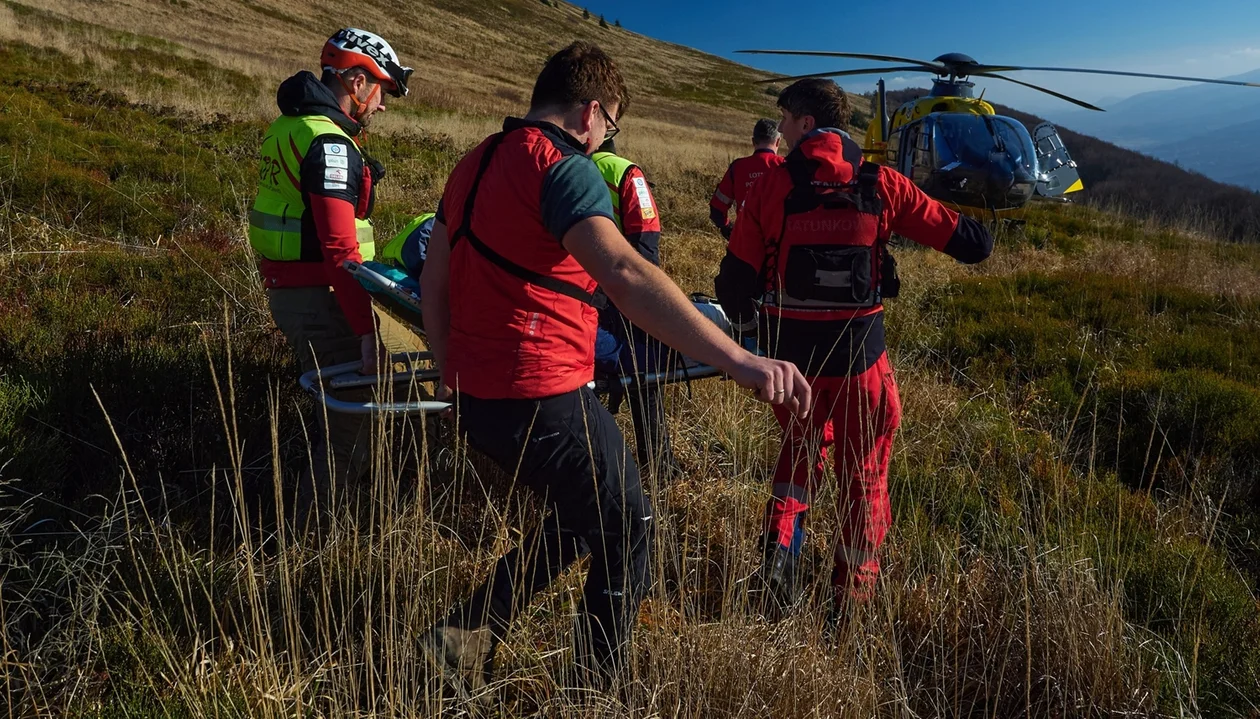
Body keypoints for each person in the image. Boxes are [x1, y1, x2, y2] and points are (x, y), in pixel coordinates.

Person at [419, 41, 810, 692]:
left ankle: (457, 640)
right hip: (541, 389)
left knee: (583, 516)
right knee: (629, 521)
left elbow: (435, 281)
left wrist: (447, 370)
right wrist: (738, 357)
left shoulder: (473, 163)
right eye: (611, 125)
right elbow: (627, 273)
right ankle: (590, 688)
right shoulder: (562, 168)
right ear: (589, 112)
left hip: (479, 392)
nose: (606, 139)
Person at [714, 78, 993, 620]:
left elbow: (732, 285)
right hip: (862, 363)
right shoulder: (883, 183)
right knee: (864, 474)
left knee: (798, 453)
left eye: (788, 122)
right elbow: (970, 245)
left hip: (789, 366)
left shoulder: (771, 187)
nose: (786, 135)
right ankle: (850, 598)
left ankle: (781, 549)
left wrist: (752, 329)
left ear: (806, 123)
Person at [247, 28, 412, 526]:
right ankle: (312, 544)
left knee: (346, 418)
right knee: (351, 429)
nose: (382, 106)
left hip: (299, 293)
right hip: (325, 299)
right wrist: (366, 333)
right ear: (357, 82)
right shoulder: (330, 143)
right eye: (382, 91)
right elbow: (340, 249)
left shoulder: (289, 126)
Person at [590, 138, 684, 481]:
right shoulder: (626, 173)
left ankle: (595, 459)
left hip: (576, 293)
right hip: (620, 293)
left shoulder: (567, 165)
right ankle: (658, 462)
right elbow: (646, 244)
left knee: (587, 378)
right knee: (645, 376)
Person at [709, 118, 784, 240]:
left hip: (745, 242)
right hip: (778, 242)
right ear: (778, 142)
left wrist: (728, 228)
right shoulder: (785, 166)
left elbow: (717, 209)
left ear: (753, 141)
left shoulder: (738, 167)